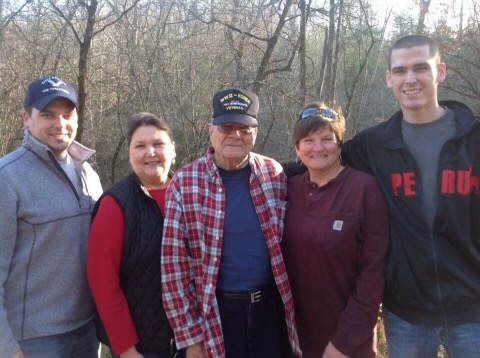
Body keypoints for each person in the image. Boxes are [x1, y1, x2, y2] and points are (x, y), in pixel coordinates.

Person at [284, 35, 480, 357]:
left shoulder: (473, 138)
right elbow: (322, 157)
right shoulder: (375, 144)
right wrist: (259, 169)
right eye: (400, 71)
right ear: (389, 78)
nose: (410, 79)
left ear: (440, 71)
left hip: (473, 309)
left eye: (421, 68)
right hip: (406, 313)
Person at [161, 88, 302, 358]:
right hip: (215, 314)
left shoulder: (273, 175)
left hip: (269, 311)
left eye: (245, 128)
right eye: (226, 126)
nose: (236, 135)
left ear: (256, 133)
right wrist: (190, 337)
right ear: (210, 130)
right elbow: (173, 269)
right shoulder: (184, 182)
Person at [0, 75, 102, 358]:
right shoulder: (7, 178)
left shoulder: (88, 173)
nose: (60, 124)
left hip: (87, 332)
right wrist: (7, 348)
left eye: (67, 114)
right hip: (33, 340)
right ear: (25, 118)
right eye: (48, 115)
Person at [281, 103, 389, 358]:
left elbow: (373, 274)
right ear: (297, 148)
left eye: (327, 139)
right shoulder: (286, 188)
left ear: (340, 143)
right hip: (292, 337)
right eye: (308, 140)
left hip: (347, 341)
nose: (318, 148)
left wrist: (343, 343)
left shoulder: (364, 189)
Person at [87, 112, 182, 358]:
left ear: (173, 148)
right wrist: (127, 350)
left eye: (158, 144)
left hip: (192, 343)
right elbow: (103, 283)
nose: (150, 153)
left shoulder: (189, 193)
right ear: (129, 152)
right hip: (142, 349)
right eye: (140, 146)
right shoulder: (115, 204)